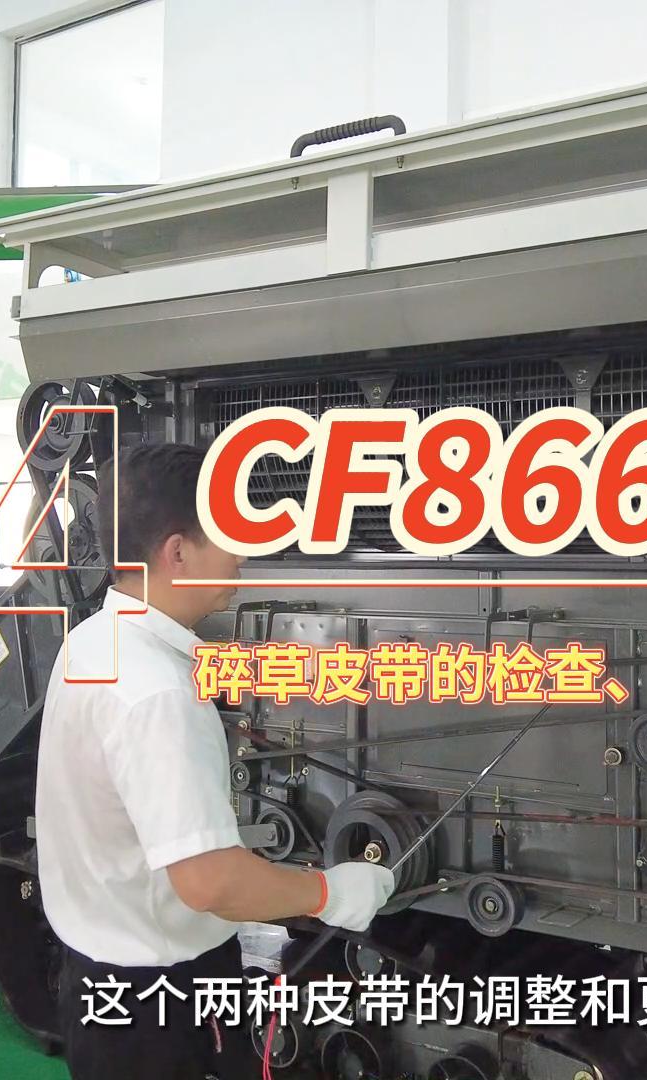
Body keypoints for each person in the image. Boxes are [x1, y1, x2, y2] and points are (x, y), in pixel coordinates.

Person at [35, 441, 396, 1080]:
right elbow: (210, 882)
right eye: (229, 533)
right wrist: (331, 892)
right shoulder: (158, 692)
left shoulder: (92, 642)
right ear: (177, 552)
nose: (242, 554)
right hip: (159, 1003)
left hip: (98, 978)